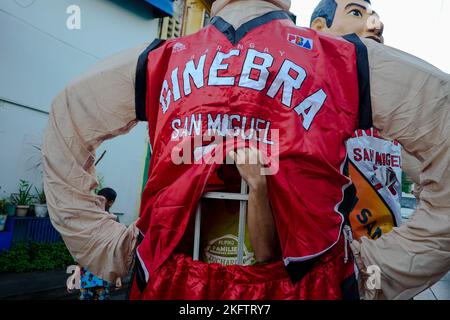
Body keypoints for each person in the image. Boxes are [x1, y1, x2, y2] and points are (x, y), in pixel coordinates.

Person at [42, 0, 450, 300]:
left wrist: (116, 253)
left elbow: (67, 122)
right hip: (306, 285)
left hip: (178, 282)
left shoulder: (161, 60)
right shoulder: (344, 60)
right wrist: (371, 273)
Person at [310, 0, 403, 242]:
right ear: (319, 27)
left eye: (376, 18)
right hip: (328, 260)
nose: (377, 26)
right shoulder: (301, 99)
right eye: (356, 13)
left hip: (387, 261)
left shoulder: (396, 105)